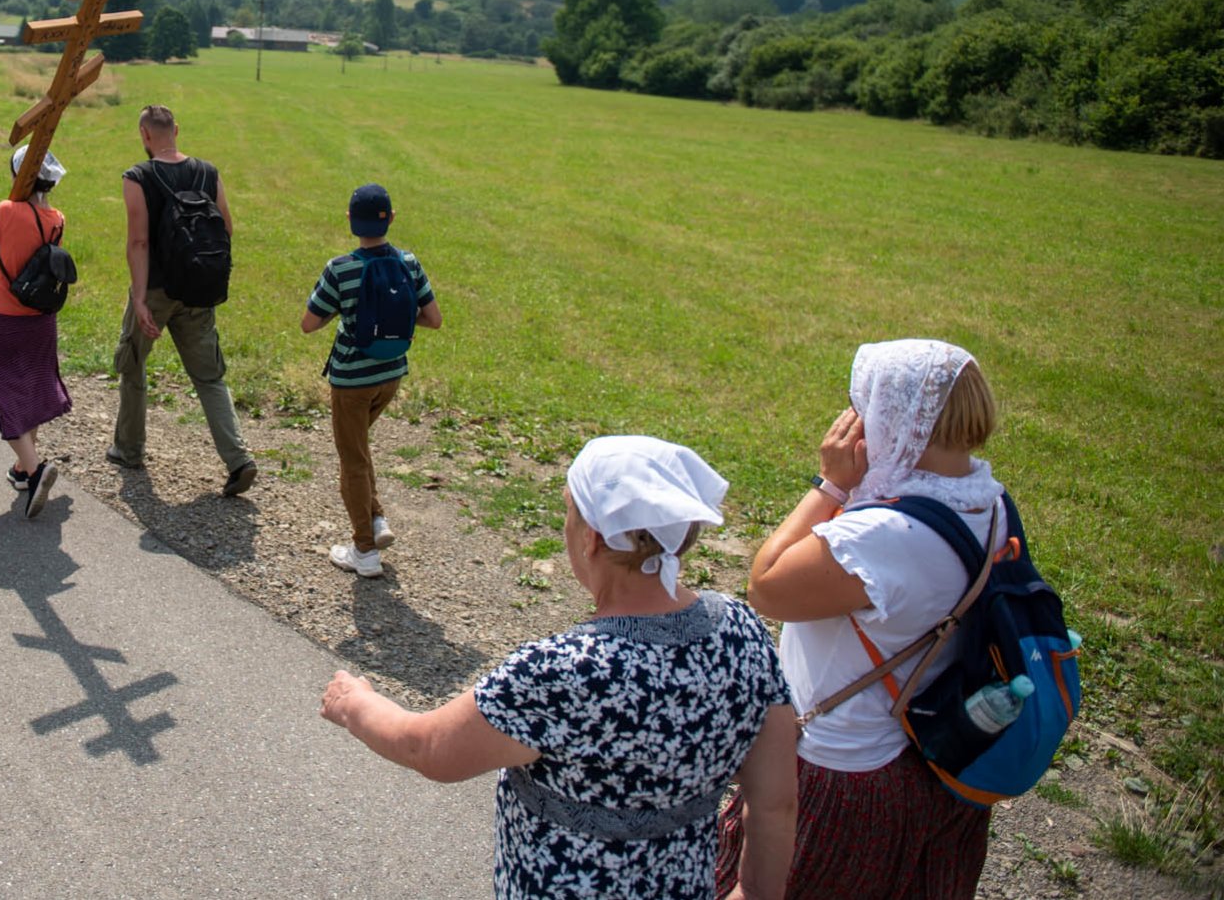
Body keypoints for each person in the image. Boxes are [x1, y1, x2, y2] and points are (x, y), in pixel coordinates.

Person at [320, 435, 797, 900]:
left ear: (591, 538)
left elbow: (429, 749)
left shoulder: (563, 672)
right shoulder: (740, 630)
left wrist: (355, 704)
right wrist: (754, 890)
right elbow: (775, 799)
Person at [718, 340, 1007, 900]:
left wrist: (831, 484)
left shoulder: (880, 538)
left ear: (889, 419)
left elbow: (766, 585)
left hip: (844, 770)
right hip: (929, 754)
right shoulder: (987, 501)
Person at [110, 104, 256, 497]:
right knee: (209, 378)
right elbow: (225, 226)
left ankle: (129, 449)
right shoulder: (208, 172)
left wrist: (140, 299)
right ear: (176, 129)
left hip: (156, 290)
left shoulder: (137, 177)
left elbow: (139, 241)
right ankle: (238, 458)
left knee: (134, 364)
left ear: (144, 135)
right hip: (198, 291)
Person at [300, 183, 441, 577]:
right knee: (359, 451)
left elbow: (309, 324)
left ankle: (364, 551)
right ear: (391, 218)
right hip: (391, 375)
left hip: (351, 382)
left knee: (352, 461)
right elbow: (433, 319)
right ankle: (376, 520)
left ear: (349, 220)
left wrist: (353, 315)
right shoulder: (409, 262)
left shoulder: (340, 268)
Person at [0, 145, 68, 519]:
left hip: (3, 320)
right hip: (40, 318)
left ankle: (36, 471)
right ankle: (23, 469)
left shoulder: (5, 212)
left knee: (4, 392)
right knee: (32, 386)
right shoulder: (57, 218)